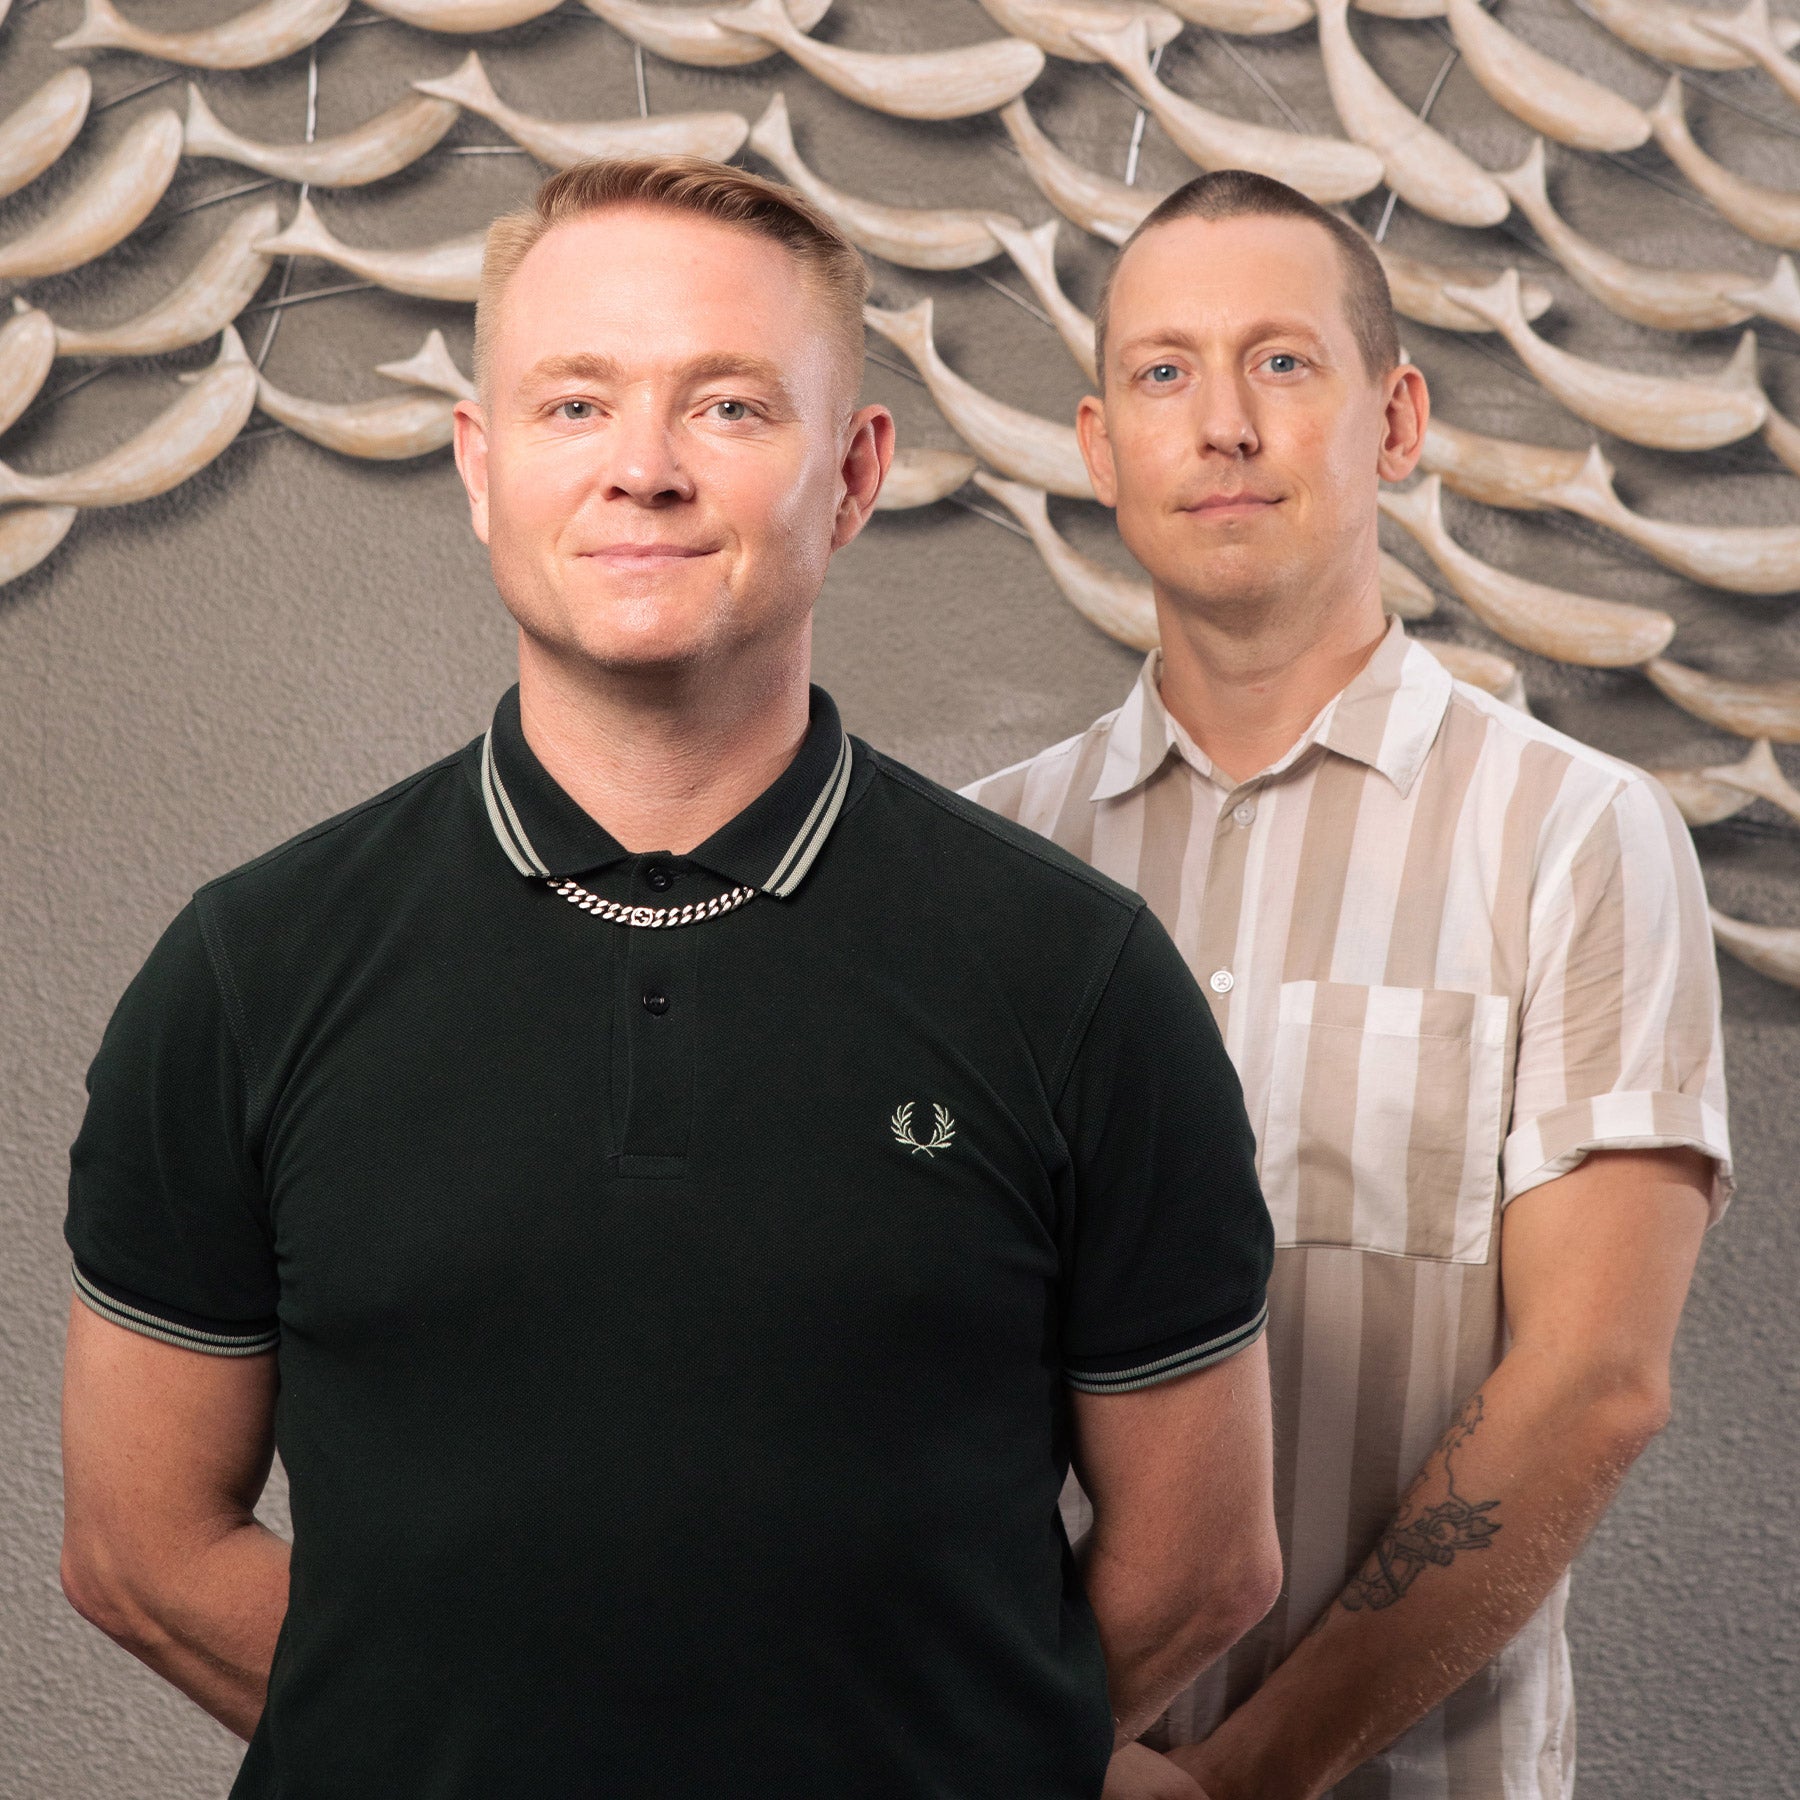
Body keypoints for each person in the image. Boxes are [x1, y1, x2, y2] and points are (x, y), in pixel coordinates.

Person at [57, 156, 1282, 1800]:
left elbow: (1205, 1567)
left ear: (853, 475)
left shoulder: (1080, 982)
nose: (643, 470)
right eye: (575, 406)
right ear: (481, 466)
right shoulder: (245, 973)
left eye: (728, 407)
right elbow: (138, 1551)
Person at [964, 169, 1731, 1800]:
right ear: (1100, 447)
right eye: (1163, 372)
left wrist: (1242, 1780)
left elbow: (1593, 1387)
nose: (1223, 425)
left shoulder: (1576, 839)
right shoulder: (985, 868)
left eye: (1282, 362)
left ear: (1397, 420)